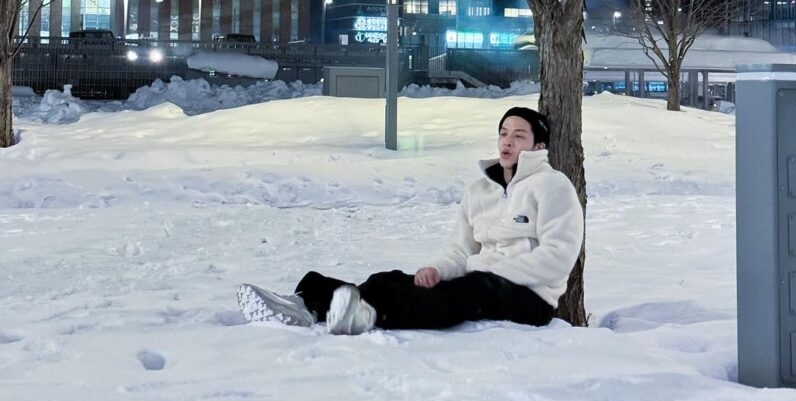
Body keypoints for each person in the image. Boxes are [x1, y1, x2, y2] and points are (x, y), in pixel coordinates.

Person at [236, 106, 584, 335]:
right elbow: (460, 251)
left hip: (530, 299)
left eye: (519, 136)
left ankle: (368, 316)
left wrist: (490, 273)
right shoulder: (480, 190)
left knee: (470, 289)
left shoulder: (552, 186)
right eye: (504, 133)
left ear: (539, 147)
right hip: (479, 283)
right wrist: (436, 270)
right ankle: (310, 300)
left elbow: (558, 257)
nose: (507, 141)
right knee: (391, 280)